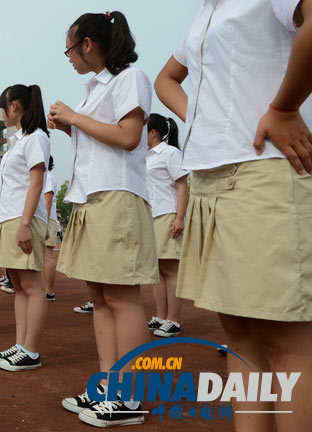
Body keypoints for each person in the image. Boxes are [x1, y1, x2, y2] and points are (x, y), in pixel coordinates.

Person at [154, 1, 312, 430]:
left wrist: (283, 109)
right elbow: (165, 80)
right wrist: (204, 120)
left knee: (286, 342)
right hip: (210, 174)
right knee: (239, 335)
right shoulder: (206, 13)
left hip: (265, 169)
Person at [49, 10, 156, 427]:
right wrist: (70, 127)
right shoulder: (95, 90)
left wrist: (74, 118)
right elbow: (101, 139)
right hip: (92, 197)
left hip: (117, 196)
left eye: (70, 49)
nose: (70, 57)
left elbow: (129, 137)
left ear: (88, 44)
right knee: (99, 296)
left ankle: (129, 397)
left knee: (122, 297)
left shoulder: (131, 77)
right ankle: (108, 389)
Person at [0, 84, 51, 371]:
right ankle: (20, 344)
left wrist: (25, 224)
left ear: (13, 105)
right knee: (20, 286)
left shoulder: (36, 138)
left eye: (3, 107)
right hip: (9, 216)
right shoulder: (19, 140)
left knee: (32, 287)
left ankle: (32, 350)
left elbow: (37, 183)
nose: (3, 113)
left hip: (23, 218)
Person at [144, 113, 188, 338]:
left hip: (167, 213)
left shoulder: (170, 153)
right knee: (157, 270)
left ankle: (174, 320)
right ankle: (161, 316)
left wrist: (179, 217)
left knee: (171, 270)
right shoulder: (145, 156)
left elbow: (182, 185)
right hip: (150, 216)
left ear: (153, 132)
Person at [43, 157, 59, 301]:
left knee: (48, 255)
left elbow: (47, 201)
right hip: (42, 219)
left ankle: (49, 291)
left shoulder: (47, 176)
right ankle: (44, 289)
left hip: (47, 220)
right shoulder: (43, 176)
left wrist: (44, 223)